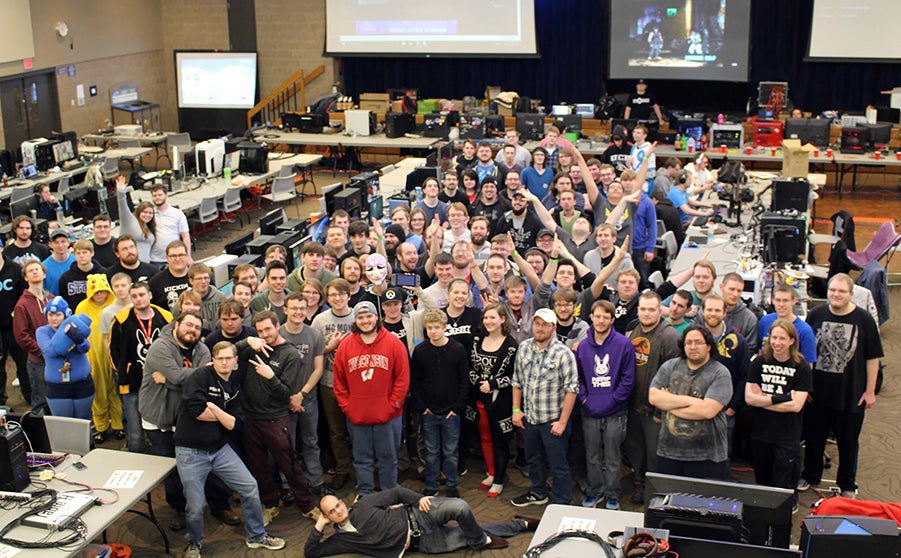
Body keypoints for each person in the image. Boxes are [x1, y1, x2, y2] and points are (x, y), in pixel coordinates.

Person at [175, 341, 287, 558]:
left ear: (235, 361)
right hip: (190, 452)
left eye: (229, 358)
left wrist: (215, 408)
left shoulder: (234, 387)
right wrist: (222, 416)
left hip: (219, 449)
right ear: (213, 360)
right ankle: (194, 543)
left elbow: (235, 425)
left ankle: (256, 536)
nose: (224, 362)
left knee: (249, 486)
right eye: (220, 358)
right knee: (196, 506)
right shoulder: (199, 377)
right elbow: (197, 411)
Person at [142, 311, 238, 530]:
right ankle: (179, 509)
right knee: (172, 470)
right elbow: (185, 377)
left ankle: (220, 505)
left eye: (197, 327)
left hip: (190, 419)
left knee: (209, 462)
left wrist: (169, 379)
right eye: (188, 325)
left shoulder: (203, 349)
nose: (192, 330)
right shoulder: (160, 347)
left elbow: (204, 378)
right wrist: (177, 378)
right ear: (176, 325)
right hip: (160, 419)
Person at [799, 273, 883, 498]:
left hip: (851, 394)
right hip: (817, 393)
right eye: (832, 290)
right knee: (814, 438)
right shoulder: (816, 314)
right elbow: (805, 354)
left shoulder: (864, 320)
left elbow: (873, 358)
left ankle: (847, 484)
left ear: (851, 294)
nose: (836, 295)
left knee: (848, 443)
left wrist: (870, 391)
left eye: (841, 291)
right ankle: (811, 475)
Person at [236, 311, 320, 523]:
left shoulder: (289, 354)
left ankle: (307, 505)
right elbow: (227, 354)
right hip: (251, 418)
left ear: (277, 326)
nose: (265, 334)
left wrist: (270, 376)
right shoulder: (252, 346)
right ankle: (270, 504)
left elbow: (285, 394)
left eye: (268, 329)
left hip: (276, 418)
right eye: (260, 331)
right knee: (258, 466)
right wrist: (247, 340)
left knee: (290, 465)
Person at [306, 488, 536, 556]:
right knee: (471, 531)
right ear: (327, 516)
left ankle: (479, 541)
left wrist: (420, 499)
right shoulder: (342, 540)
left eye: (338, 504)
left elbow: (396, 493)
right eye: (332, 511)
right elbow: (311, 552)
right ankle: (521, 525)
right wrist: (318, 526)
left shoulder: (362, 505)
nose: (339, 510)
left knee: (461, 507)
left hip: (420, 514)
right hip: (425, 543)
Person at [333, 301, 410, 497]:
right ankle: (365, 493)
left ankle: (389, 492)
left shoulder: (393, 343)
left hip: (389, 415)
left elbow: (402, 378)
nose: (365, 321)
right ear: (355, 320)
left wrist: (393, 405)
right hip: (358, 415)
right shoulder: (345, 346)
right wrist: (348, 407)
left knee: (388, 457)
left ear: (377, 317)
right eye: (360, 317)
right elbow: (339, 383)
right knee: (361, 458)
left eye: (369, 316)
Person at [511, 308, 579, 507]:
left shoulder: (564, 354)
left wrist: (563, 422)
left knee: (558, 465)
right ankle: (538, 492)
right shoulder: (523, 347)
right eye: (537, 323)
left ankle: (562, 502)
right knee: (533, 460)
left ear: (553, 328)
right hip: (530, 418)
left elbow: (572, 390)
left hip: (553, 422)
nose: (539, 328)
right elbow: (517, 382)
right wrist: (516, 410)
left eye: (544, 325)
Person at [649, 326, 733, 480]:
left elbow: (707, 411)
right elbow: (654, 397)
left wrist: (669, 405)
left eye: (698, 342)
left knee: (703, 503)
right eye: (688, 343)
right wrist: (693, 402)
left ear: (708, 346)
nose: (693, 347)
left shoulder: (720, 373)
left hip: (707, 456)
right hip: (669, 453)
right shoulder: (670, 366)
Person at [575, 300, 636, 510]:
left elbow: (628, 379)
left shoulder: (623, 344)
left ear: (612, 319)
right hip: (589, 410)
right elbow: (579, 378)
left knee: (612, 457)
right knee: (591, 456)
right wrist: (584, 399)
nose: (601, 320)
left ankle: (612, 494)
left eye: (605, 317)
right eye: (597, 316)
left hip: (615, 411)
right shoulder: (582, 346)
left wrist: (613, 401)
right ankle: (595, 491)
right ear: (591, 317)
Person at [745, 318, 811, 508]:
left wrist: (763, 400)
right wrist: (781, 398)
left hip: (787, 438)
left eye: (782, 338)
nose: (777, 343)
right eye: (774, 337)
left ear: (792, 341)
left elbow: (796, 406)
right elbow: (749, 399)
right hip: (761, 435)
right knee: (763, 486)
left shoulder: (801, 367)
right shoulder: (758, 363)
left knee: (784, 490)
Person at [625, 291, 681, 504]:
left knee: (655, 454)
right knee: (635, 449)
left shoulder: (670, 337)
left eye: (651, 310)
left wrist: (661, 410)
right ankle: (639, 483)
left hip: (655, 410)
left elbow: (675, 378)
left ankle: (657, 493)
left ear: (660, 311)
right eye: (643, 309)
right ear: (638, 310)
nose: (647, 314)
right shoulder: (632, 329)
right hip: (633, 404)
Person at [410, 309, 469, 498]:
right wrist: (422, 407)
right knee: (431, 451)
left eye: (437, 328)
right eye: (429, 328)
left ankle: (452, 484)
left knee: (451, 451)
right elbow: (415, 382)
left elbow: (463, 381)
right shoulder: (420, 351)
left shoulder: (457, 349)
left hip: (451, 411)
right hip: (429, 412)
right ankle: (432, 484)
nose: (433, 331)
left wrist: (457, 407)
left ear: (445, 328)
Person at [109, 281, 173, 452]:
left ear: (150, 295)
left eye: (142, 295)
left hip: (161, 382)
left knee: (164, 427)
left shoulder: (165, 317)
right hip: (132, 384)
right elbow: (112, 349)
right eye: (134, 296)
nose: (138, 299)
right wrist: (123, 371)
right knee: (135, 433)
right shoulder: (121, 320)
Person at [279, 291, 327, 493]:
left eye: (302, 308)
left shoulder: (314, 335)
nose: (298, 312)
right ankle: (288, 485)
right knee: (286, 446)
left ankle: (316, 482)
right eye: (294, 308)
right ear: (285, 310)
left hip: (308, 399)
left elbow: (318, 369)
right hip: (282, 402)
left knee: (311, 441)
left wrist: (302, 395)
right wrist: (289, 397)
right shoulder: (277, 335)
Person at [310, 278, 356, 491]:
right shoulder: (320, 321)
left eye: (341, 294)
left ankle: (360, 467)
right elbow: (312, 353)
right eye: (333, 295)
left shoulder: (358, 316)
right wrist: (331, 346)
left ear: (349, 295)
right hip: (329, 382)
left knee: (358, 429)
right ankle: (343, 468)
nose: (337, 299)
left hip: (357, 384)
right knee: (336, 430)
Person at [75, 274, 122, 443]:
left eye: (103, 291)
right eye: (96, 292)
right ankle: (101, 426)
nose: (100, 295)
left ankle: (118, 425)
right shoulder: (82, 308)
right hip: (92, 357)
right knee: (98, 393)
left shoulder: (116, 305)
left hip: (113, 356)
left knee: (115, 392)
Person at [37, 297, 93, 419]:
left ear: (66, 315)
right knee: (64, 427)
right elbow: (51, 351)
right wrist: (67, 337)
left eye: (58, 314)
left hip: (82, 385)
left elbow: (85, 348)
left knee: (83, 425)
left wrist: (78, 338)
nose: (53, 318)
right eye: (50, 314)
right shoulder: (42, 332)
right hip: (57, 388)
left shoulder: (74, 328)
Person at [13, 259, 54, 416]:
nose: (35, 272)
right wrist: (42, 350)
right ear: (25, 277)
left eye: (38, 269)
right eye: (31, 271)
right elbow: (21, 335)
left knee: (55, 399)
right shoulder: (22, 305)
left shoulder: (52, 299)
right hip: (38, 362)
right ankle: (38, 438)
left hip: (56, 360)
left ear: (44, 274)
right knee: (40, 402)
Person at [758, 284, 818, 364]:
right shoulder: (765, 321)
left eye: (785, 300)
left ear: (794, 301)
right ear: (772, 300)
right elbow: (760, 352)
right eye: (778, 300)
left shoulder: (805, 331)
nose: (781, 305)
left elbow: (808, 365)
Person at [0, 242, 27, 407]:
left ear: (2, 248)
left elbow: (23, 293)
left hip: (14, 326)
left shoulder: (14, 268)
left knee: (23, 364)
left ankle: (30, 399)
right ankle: (1, 403)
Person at [149, 183, 191, 267]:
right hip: (154, 259)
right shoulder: (149, 214)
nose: (157, 198)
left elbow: (185, 236)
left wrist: (188, 256)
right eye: (154, 196)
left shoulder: (178, 214)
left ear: (166, 195)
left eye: (160, 195)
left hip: (175, 258)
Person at [116, 176, 156, 262]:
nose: (147, 215)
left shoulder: (148, 227)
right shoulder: (130, 220)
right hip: (130, 264)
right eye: (144, 212)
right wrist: (121, 192)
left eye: (150, 213)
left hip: (146, 266)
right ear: (138, 212)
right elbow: (122, 206)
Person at [58, 239, 104, 308]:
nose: (81, 256)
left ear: (92, 253)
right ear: (74, 255)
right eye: (78, 253)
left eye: (84, 252)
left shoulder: (103, 274)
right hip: (76, 316)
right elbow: (64, 301)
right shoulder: (66, 278)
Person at [149, 240, 191, 313]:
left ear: (187, 256)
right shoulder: (156, 282)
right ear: (167, 258)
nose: (177, 259)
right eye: (173, 256)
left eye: (181, 255)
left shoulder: (199, 277)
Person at [42, 228, 75, 296]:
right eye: (56, 242)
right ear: (50, 244)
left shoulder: (77, 261)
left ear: (68, 242)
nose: (60, 245)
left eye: (63, 241)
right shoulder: (44, 267)